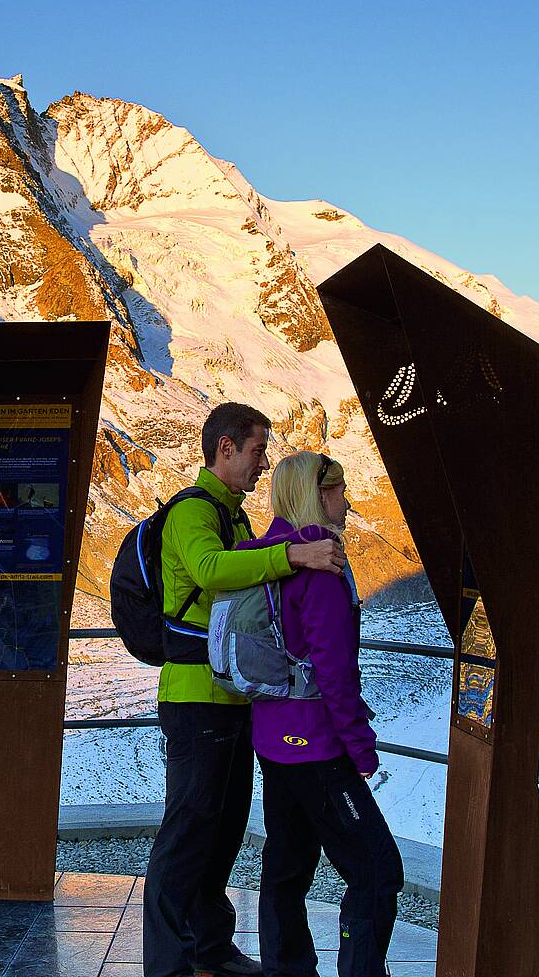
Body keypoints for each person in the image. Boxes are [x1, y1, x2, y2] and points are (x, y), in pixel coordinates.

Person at [144, 405, 347, 977]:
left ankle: (210, 947)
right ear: (225, 448)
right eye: (258, 451)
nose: (263, 464)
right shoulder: (192, 512)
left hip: (233, 696)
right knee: (188, 828)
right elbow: (209, 571)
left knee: (224, 828)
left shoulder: (233, 517)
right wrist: (293, 555)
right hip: (194, 696)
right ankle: (166, 964)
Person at [247, 451, 402, 977]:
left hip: (271, 739)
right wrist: (361, 748)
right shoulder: (322, 567)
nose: (347, 500)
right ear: (317, 495)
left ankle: (285, 969)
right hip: (316, 745)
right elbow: (335, 670)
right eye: (337, 490)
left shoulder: (264, 554)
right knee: (376, 870)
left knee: (287, 865)